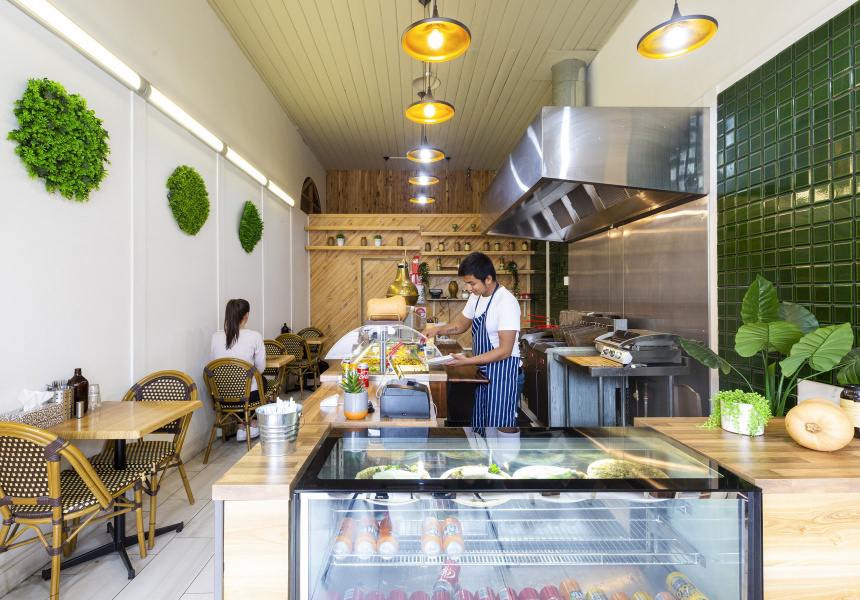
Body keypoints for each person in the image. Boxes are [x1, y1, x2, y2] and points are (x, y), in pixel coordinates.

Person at [422, 252, 523, 432]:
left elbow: (505, 350)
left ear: (488, 279)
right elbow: (461, 325)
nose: (469, 288)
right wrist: (435, 330)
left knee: (501, 425)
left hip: (504, 373)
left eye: (472, 283)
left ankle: (505, 452)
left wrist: (467, 361)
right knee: (482, 424)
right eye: (467, 283)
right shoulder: (476, 297)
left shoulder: (506, 302)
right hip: (484, 371)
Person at [211, 299, 266, 441]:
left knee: (238, 385)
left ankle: (241, 427)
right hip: (248, 397)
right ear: (246, 315)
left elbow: (214, 364)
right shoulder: (255, 336)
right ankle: (253, 424)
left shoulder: (216, 337)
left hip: (221, 396)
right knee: (260, 381)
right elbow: (260, 368)